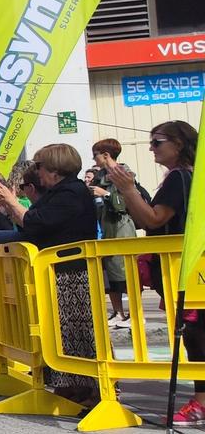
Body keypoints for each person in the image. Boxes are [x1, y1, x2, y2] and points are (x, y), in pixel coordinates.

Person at [0, 142, 100, 407]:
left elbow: (34, 223)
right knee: (60, 332)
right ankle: (70, 385)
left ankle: (88, 387)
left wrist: (9, 202)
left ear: (54, 168)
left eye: (38, 166)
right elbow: (30, 229)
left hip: (70, 272)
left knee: (74, 330)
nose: (36, 173)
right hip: (54, 271)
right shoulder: (57, 193)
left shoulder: (71, 193)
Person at [96, 119, 202, 424]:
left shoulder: (179, 177)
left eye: (157, 142)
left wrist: (127, 189)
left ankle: (201, 400)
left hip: (185, 269)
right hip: (187, 266)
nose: (151, 148)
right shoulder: (188, 176)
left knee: (195, 333)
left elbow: (151, 220)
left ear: (178, 144)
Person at [87, 137, 139, 327]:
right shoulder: (100, 175)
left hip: (121, 227)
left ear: (106, 155)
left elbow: (128, 201)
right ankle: (118, 312)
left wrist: (106, 194)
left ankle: (135, 313)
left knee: (126, 271)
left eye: (96, 155)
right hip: (105, 227)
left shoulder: (124, 173)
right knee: (110, 271)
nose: (94, 159)